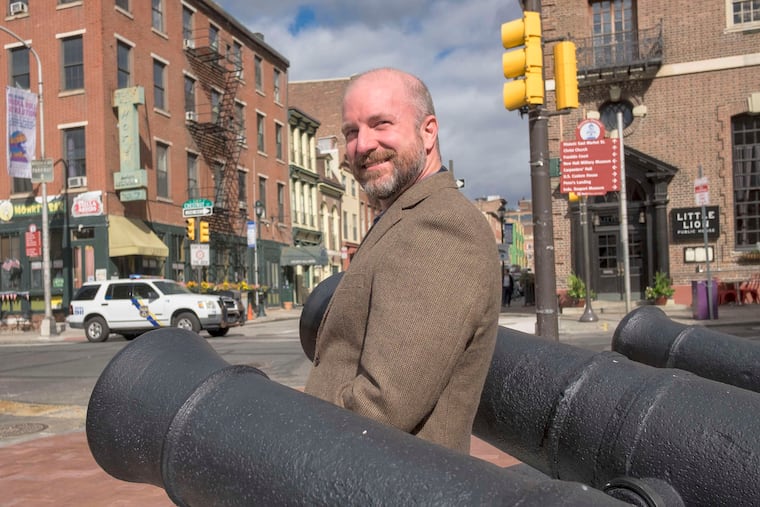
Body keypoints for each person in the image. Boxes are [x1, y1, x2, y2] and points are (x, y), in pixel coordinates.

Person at [304, 68, 501, 454]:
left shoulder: (439, 224)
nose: (363, 145)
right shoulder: (405, 214)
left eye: (381, 124)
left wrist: (295, 444)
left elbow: (383, 405)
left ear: (428, 131)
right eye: (351, 132)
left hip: (385, 479)